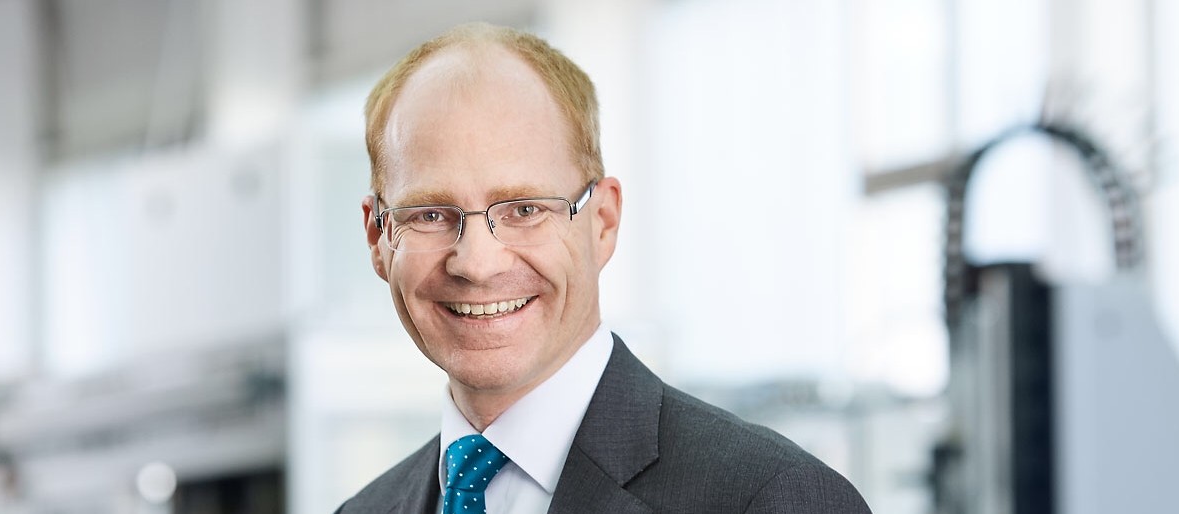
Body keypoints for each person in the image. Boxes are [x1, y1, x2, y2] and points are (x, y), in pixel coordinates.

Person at [337, 22, 871, 513]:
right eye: (430, 214)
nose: (477, 263)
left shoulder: (774, 498)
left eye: (525, 209)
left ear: (603, 222)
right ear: (377, 238)